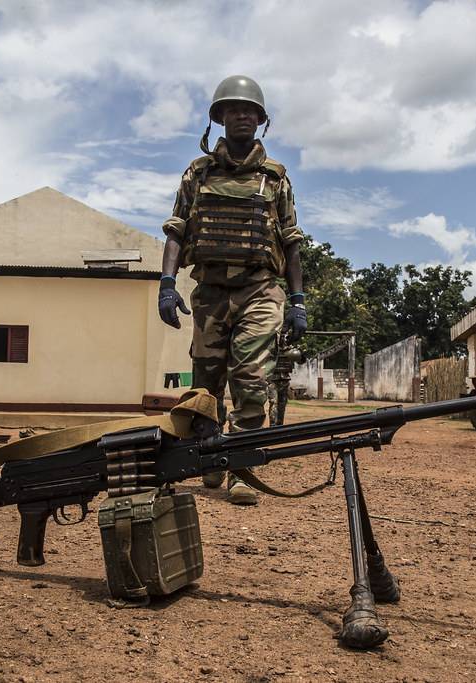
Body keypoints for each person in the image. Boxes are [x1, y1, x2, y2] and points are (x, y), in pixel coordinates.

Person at [158, 75, 306, 505]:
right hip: (209, 293)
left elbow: (292, 242)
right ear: (219, 118)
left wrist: (297, 301)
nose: (242, 115)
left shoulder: (275, 178)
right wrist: (167, 284)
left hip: (260, 290)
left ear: (261, 120)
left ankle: (240, 469)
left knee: (251, 378)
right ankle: (207, 459)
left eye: (250, 110)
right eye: (233, 108)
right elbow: (176, 231)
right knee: (205, 385)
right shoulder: (198, 173)